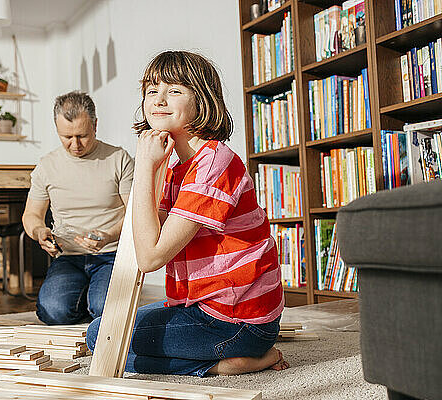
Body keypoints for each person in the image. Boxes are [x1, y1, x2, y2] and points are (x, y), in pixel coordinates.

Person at [86, 51, 290, 376]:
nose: (159, 100)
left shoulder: (213, 162)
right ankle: (222, 358)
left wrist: (142, 166)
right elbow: (150, 236)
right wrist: (151, 166)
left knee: (103, 338)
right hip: (200, 307)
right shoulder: (176, 165)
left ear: (202, 100)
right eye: (152, 91)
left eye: (174, 90)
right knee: (106, 330)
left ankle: (230, 363)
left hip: (235, 319)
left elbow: (150, 257)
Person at [23, 91, 134, 325]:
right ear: (56, 127)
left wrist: (109, 234)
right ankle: (86, 301)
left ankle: (94, 302)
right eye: (66, 136)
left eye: (82, 135)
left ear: (95, 124)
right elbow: (32, 215)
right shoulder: (46, 165)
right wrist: (39, 232)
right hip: (68, 256)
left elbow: (135, 210)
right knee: (52, 312)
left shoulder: (118, 158)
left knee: (106, 310)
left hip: (111, 254)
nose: (75, 145)